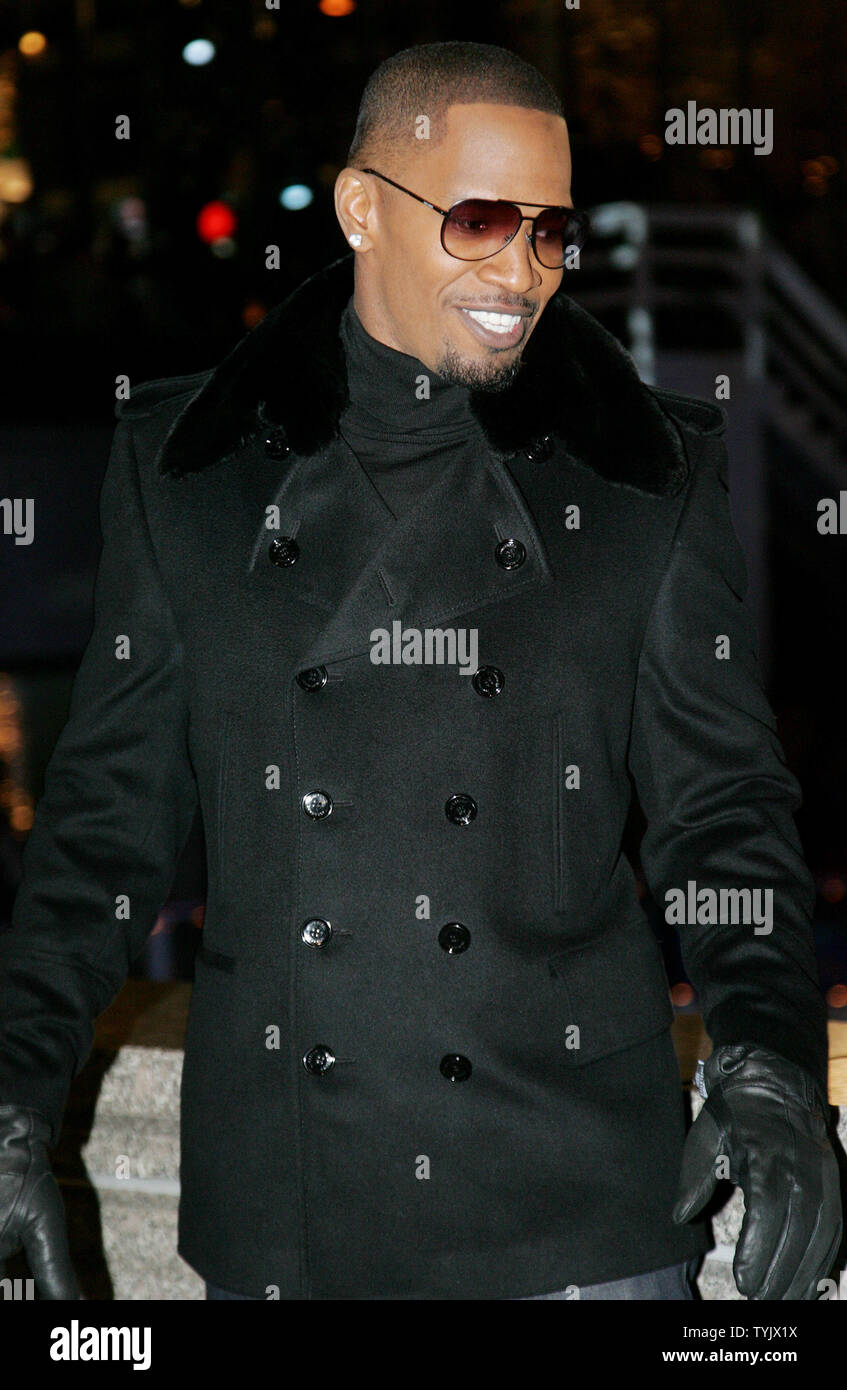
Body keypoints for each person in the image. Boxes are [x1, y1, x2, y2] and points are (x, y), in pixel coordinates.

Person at [0, 41, 841, 1302]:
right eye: (481, 220)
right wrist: (13, 1096)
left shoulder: (640, 477)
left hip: (579, 1222)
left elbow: (722, 815)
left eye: (552, 232)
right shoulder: (184, 472)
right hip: (291, 1216)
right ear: (360, 210)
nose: (522, 271)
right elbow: (104, 835)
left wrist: (769, 1055)